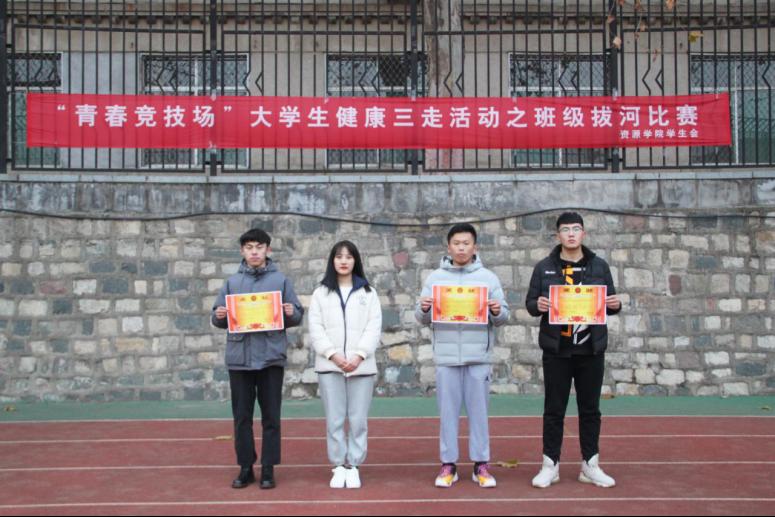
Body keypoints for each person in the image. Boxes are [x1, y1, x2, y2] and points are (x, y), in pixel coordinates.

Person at [525, 212, 622, 489]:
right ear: (558, 235)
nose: (571, 234)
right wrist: (538, 305)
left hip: (591, 350)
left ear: (583, 234)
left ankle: (590, 465)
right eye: (565, 229)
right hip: (557, 350)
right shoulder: (544, 267)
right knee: (554, 409)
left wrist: (615, 304)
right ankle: (550, 465)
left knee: (590, 410)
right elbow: (530, 303)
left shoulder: (599, 266)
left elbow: (610, 303)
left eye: (576, 229)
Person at [416, 223, 509, 489]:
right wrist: (424, 308)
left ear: (474, 247)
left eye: (466, 243)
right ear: (448, 247)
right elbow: (421, 316)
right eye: (456, 243)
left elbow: (503, 316)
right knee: (447, 414)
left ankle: (481, 465)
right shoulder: (435, 278)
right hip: (446, 357)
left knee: (479, 414)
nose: (461, 248)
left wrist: (495, 310)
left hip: (478, 356)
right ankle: (449, 465)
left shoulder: (488, 278)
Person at [211, 228, 305, 490]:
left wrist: (291, 312)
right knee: (241, 417)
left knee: (271, 417)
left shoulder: (281, 281)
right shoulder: (231, 283)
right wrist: (219, 315)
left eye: (259, 247)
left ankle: (268, 468)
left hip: (270, 358)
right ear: (242, 251)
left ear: (268, 250)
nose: (254, 252)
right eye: (249, 247)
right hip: (239, 359)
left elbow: (297, 314)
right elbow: (217, 317)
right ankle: (245, 467)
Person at [309, 241, 382, 489]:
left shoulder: (369, 293)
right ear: (332, 260)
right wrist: (333, 355)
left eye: (349, 257)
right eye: (339, 256)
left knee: (358, 420)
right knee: (335, 419)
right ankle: (338, 465)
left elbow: (374, 328)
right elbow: (316, 329)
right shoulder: (320, 293)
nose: (343, 261)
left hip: (361, 367)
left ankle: (354, 466)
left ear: (355, 261)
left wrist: (359, 355)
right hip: (330, 366)